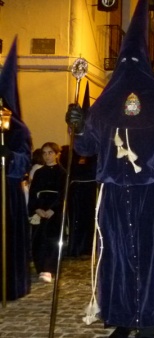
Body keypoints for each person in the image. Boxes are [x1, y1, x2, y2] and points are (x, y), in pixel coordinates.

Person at [65, 0, 154, 337]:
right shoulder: (105, 105)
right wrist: (78, 125)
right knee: (116, 255)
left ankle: (148, 320)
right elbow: (86, 147)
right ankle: (121, 317)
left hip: (151, 191)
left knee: (151, 257)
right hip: (114, 192)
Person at [0, 37, 33, 301]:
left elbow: (24, 160)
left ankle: (9, 285)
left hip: (6, 193)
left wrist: (9, 156)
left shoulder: (19, 128)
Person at [28, 142, 66, 283]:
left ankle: (49, 269)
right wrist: (36, 208)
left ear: (56, 154)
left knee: (52, 239)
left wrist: (53, 209)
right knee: (38, 239)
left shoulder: (62, 173)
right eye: (44, 153)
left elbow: (63, 193)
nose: (47, 156)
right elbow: (33, 192)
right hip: (40, 207)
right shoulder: (39, 172)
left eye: (50, 152)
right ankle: (40, 267)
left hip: (53, 209)